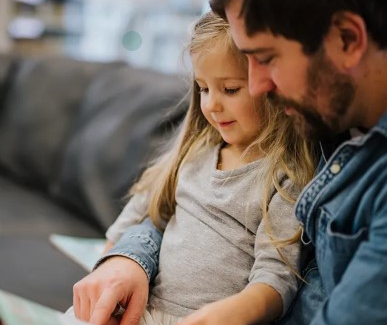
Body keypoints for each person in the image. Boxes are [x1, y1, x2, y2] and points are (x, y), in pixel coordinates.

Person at [72, 1, 387, 325]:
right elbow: (165, 213)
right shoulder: (320, 115)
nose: (259, 86)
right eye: (203, 88)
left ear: (347, 40)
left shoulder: (298, 160)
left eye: (266, 58)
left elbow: (278, 274)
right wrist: (128, 258)